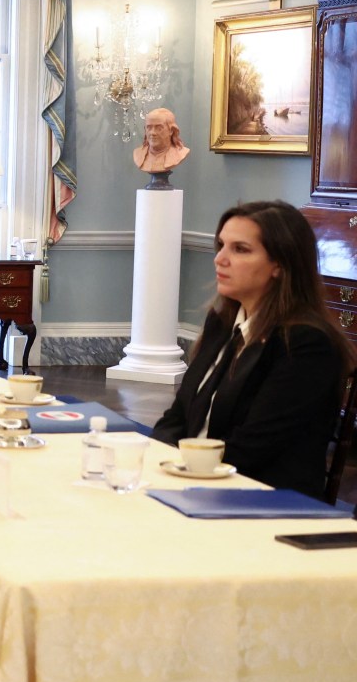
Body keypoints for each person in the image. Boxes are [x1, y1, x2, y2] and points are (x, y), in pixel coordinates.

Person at [152, 200, 353, 497]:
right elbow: (178, 415)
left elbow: (254, 447)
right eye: (221, 245)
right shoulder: (222, 322)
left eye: (240, 249)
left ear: (279, 265)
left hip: (261, 498)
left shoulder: (307, 343)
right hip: (198, 480)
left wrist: (181, 472)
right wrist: (157, 461)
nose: (220, 259)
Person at [133, 107, 190, 175]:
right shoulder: (138, 154)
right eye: (149, 128)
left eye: (159, 128)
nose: (152, 133)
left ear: (171, 130)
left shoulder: (180, 153)